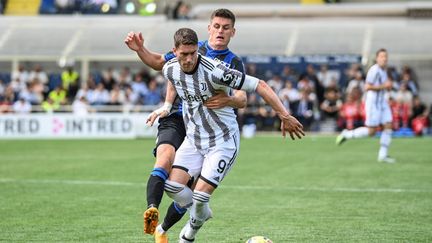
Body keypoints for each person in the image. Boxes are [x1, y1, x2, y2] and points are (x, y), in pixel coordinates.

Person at [146, 27, 304, 243]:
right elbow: (173, 80)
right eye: (184, 54)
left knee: (200, 196)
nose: (190, 59)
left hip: (223, 141)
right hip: (194, 139)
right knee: (172, 187)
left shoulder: (216, 70)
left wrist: (284, 115)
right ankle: (200, 212)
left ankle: (187, 236)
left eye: (193, 53)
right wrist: (165, 106)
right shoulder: (170, 69)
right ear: (175, 52)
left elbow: (259, 85)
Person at [124, 8, 248, 241]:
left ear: (233, 32)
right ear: (209, 27)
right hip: (177, 117)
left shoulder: (232, 62)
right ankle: (157, 208)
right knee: (165, 159)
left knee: (190, 188)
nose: (220, 31)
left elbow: (243, 97)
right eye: (217, 26)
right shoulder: (191, 47)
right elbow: (162, 65)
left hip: (207, 126)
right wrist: (141, 50)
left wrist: (229, 99)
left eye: (226, 27)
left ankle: (166, 229)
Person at [336, 48, 395, 163]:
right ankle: (347, 134)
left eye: (385, 56)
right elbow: (367, 87)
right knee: (371, 132)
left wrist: (387, 87)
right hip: (373, 104)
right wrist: (384, 86)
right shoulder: (374, 70)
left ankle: (383, 155)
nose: (384, 58)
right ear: (377, 58)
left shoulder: (384, 71)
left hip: (382, 103)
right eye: (382, 56)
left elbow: (384, 85)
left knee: (388, 125)